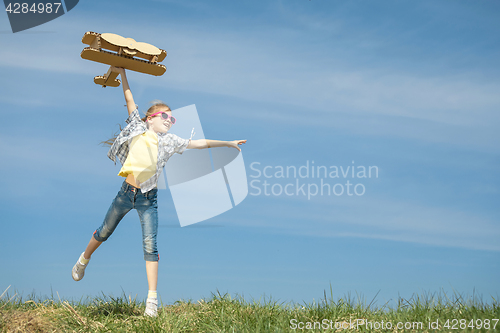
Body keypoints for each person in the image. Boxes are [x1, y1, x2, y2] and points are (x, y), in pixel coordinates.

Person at [71, 67, 246, 317]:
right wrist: (121, 71)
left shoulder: (170, 141)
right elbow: (129, 98)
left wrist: (227, 142)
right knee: (104, 231)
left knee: (150, 246)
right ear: (150, 118)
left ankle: (151, 300)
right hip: (125, 194)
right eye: (165, 116)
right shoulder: (137, 127)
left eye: (172, 119)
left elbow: (199, 144)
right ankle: (83, 260)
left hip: (147, 198)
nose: (169, 120)